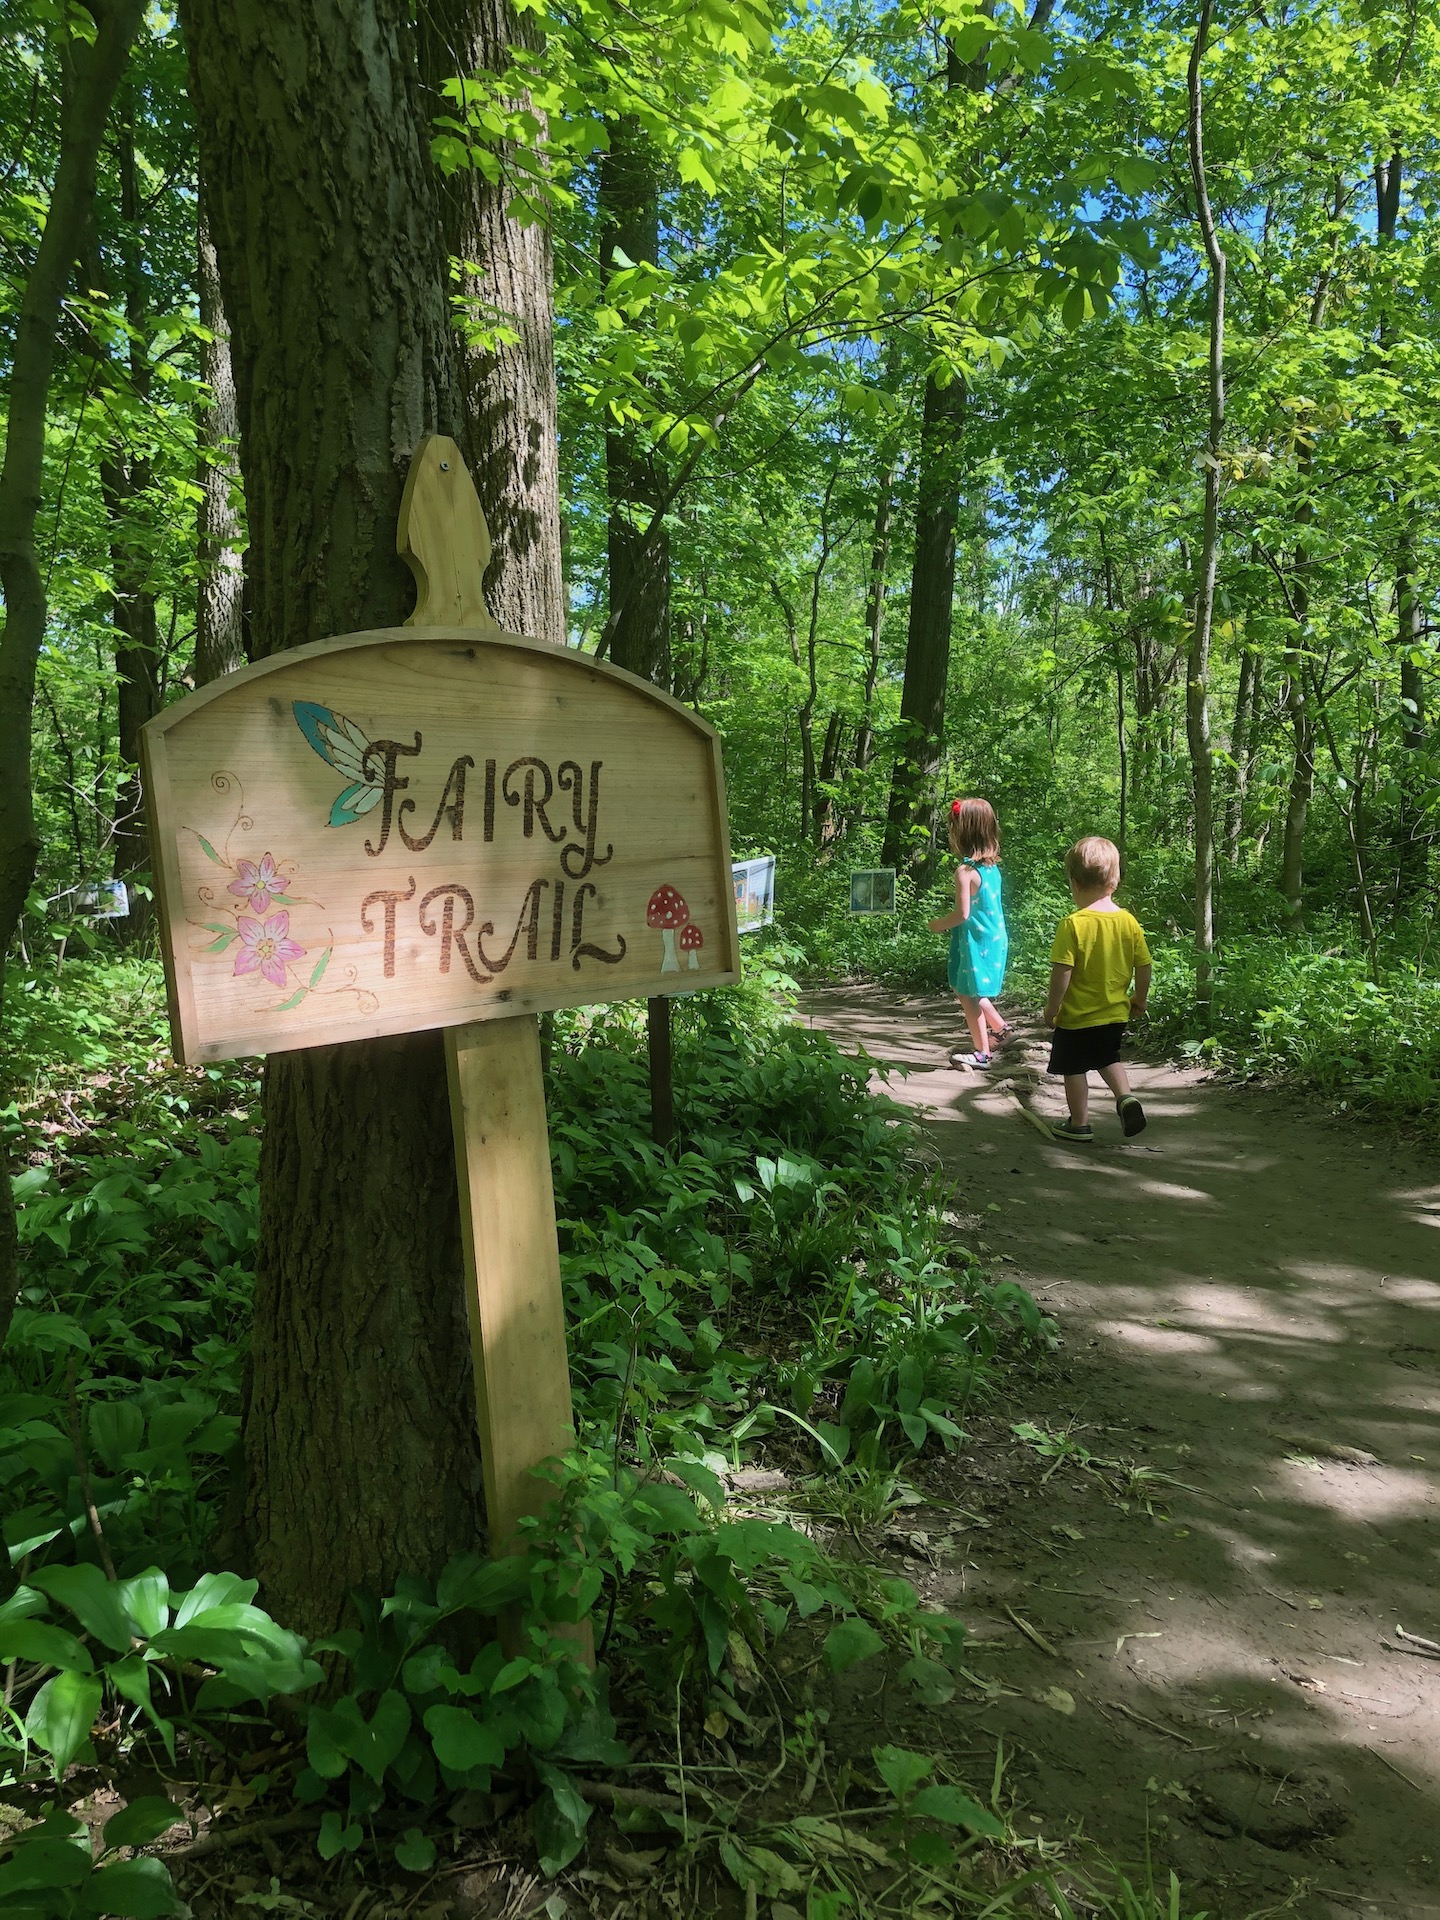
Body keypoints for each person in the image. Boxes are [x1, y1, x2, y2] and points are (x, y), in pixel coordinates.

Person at [1041, 835, 1151, 1142]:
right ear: (1114, 881)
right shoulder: (1128, 922)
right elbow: (1144, 965)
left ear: (1075, 884)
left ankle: (1079, 1123)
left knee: (1073, 1067)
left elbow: (1063, 971)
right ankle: (1126, 1098)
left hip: (1076, 1017)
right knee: (1108, 1058)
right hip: (1114, 1013)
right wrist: (1140, 998)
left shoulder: (1073, 924)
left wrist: (1052, 1007)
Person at [928, 796, 1010, 1069]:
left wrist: (938, 924)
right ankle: (1000, 1029)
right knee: (967, 990)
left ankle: (982, 1053)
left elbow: (962, 914)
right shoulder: (991, 868)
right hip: (990, 939)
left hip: (976, 942)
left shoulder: (965, 871)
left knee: (968, 995)